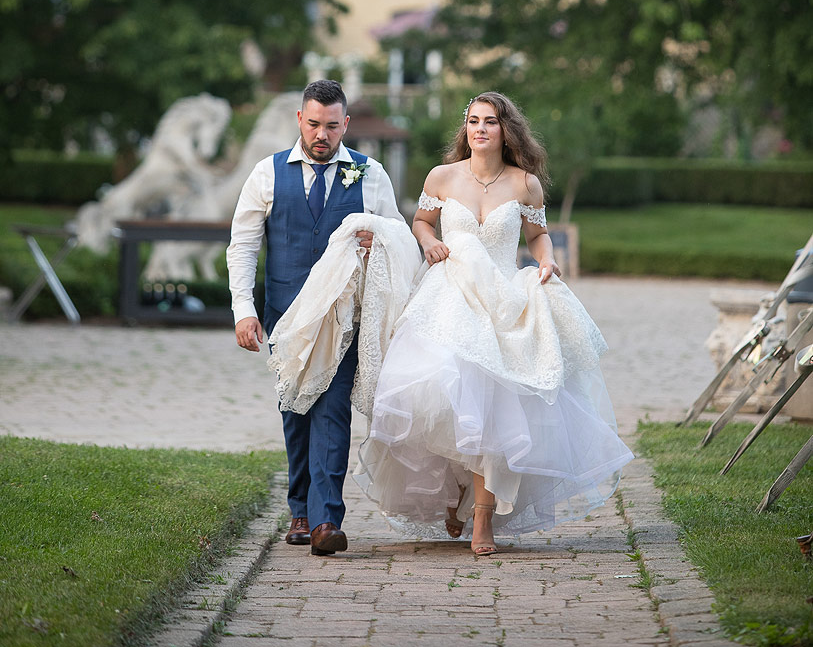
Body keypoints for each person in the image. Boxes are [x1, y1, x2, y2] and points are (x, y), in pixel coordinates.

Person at [354, 91, 634, 556]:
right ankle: (453, 494)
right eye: (473, 121)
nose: (480, 129)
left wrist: (547, 261)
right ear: (465, 129)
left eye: (489, 121)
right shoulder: (442, 176)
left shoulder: (525, 184)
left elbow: (538, 235)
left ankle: (482, 518)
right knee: (443, 398)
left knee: (496, 412)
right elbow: (421, 222)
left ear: (506, 131)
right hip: (449, 296)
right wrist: (429, 242)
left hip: (504, 299)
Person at [226, 79, 404, 556]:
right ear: (299, 121)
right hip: (285, 316)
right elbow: (242, 246)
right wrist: (244, 310)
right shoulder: (267, 174)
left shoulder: (370, 174)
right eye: (313, 124)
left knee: (332, 408)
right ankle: (300, 510)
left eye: (331, 126)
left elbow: (400, 237)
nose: (321, 135)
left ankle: (327, 520)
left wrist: (380, 243)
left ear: (346, 124)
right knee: (295, 410)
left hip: (343, 316)